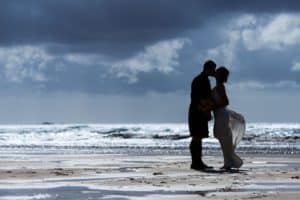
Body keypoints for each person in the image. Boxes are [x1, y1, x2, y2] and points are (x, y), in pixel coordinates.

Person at [212, 67, 245, 170]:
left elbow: (226, 102)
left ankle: (229, 163)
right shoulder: (218, 86)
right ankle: (228, 162)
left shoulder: (220, 87)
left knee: (224, 137)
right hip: (219, 114)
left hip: (221, 114)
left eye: (216, 73)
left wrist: (214, 106)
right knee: (222, 137)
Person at [188, 60, 216, 170]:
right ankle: (196, 162)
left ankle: (197, 161)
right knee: (196, 137)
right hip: (197, 111)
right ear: (207, 69)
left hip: (200, 110)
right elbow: (197, 98)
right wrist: (205, 110)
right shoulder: (199, 80)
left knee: (198, 137)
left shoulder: (204, 80)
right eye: (213, 69)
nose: (214, 71)